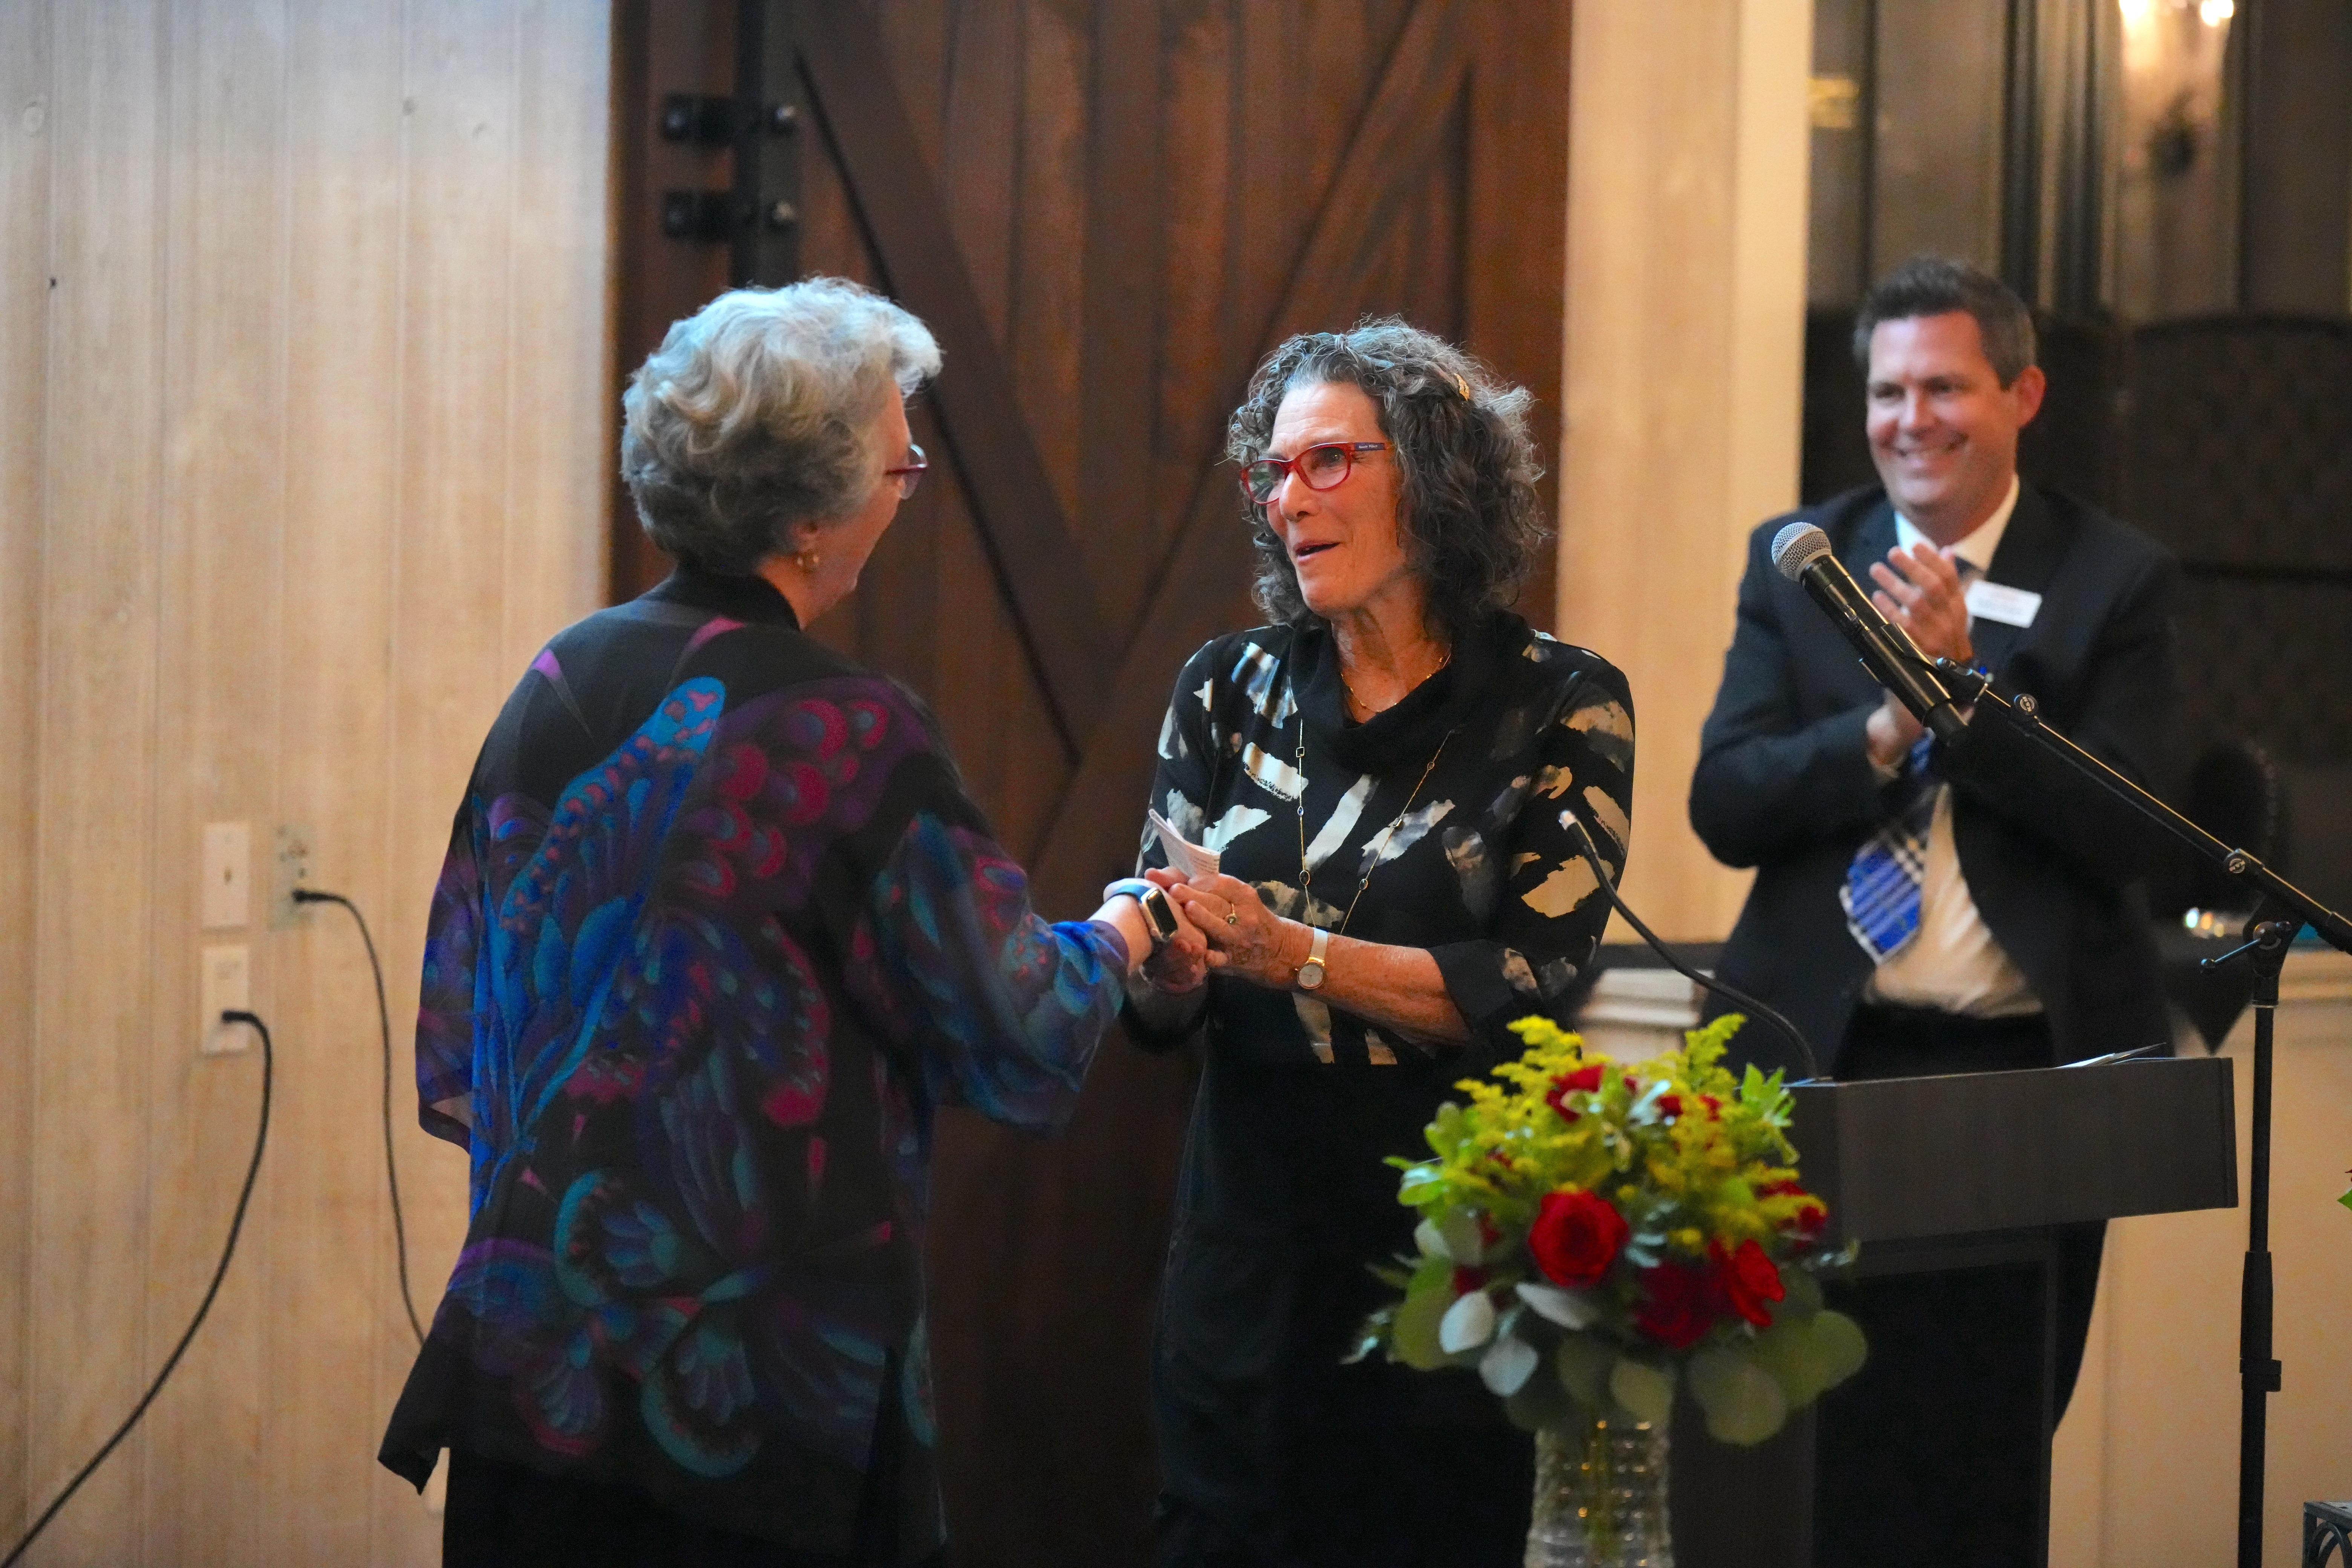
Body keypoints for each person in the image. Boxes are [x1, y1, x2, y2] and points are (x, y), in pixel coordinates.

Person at [377, 277, 1206, 1568]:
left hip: (533, 1376)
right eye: (901, 463)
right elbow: (1020, 1011)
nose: (904, 489)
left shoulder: (557, 677)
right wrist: (1137, 918)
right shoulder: (843, 726)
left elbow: (463, 1024)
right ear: (816, 512)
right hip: (742, 1420)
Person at [1122, 321, 1637, 1568]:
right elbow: (1163, 996)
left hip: (1448, 1248)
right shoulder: (1223, 687)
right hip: (1249, 1240)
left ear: (1436, 469)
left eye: (1329, 463)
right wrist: (1174, 964)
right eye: (1275, 474)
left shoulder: (1562, 701)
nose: (1290, 499)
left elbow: (1525, 987)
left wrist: (1286, 952)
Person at [1689, 255, 2178, 1565]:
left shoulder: (2111, 581)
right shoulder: (1799, 560)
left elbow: (2131, 827)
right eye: (1888, 391)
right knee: (1806, 1462)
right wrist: (1883, 728)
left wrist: (1968, 699)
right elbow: (1726, 802)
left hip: (2028, 1079)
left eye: (1947, 387)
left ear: (2023, 394)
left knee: (1985, 1462)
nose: (1913, 420)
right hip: (1819, 1066)